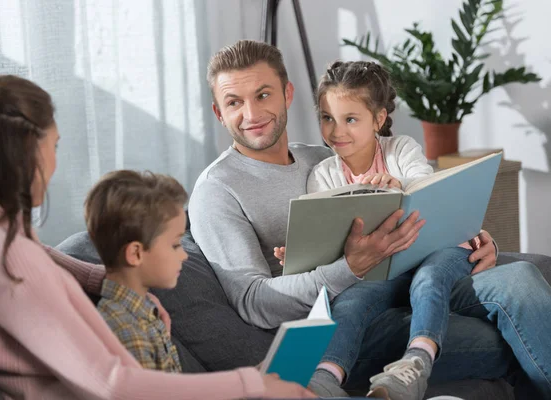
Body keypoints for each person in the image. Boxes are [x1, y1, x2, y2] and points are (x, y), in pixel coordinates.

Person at [188, 39, 551, 399]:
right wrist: (351, 266)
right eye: (234, 102)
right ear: (219, 113)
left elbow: (409, 200)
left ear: (287, 94)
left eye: (263, 95)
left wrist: (469, 232)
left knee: (522, 279)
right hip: (332, 321)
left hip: (402, 277)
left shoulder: (324, 156)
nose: (251, 114)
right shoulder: (217, 189)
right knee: (512, 336)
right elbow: (254, 302)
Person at [0, 74, 316, 399]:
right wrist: (252, 385)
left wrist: (110, 282)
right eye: (55, 145)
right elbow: (112, 384)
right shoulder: (0, 254)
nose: (54, 162)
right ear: (25, 150)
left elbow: (38, 252)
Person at [273, 59, 487, 398]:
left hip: (434, 251)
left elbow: (426, 186)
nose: (336, 131)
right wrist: (303, 249)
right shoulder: (324, 175)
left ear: (379, 119)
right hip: (381, 269)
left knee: (428, 280)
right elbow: (331, 237)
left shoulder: (400, 149)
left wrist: (397, 184)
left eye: (351, 119)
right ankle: (326, 377)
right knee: (352, 301)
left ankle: (415, 363)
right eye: (327, 118)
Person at [85, 170, 188, 372]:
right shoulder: (126, 331)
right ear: (135, 253)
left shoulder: (143, 309)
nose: (185, 255)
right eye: (176, 245)